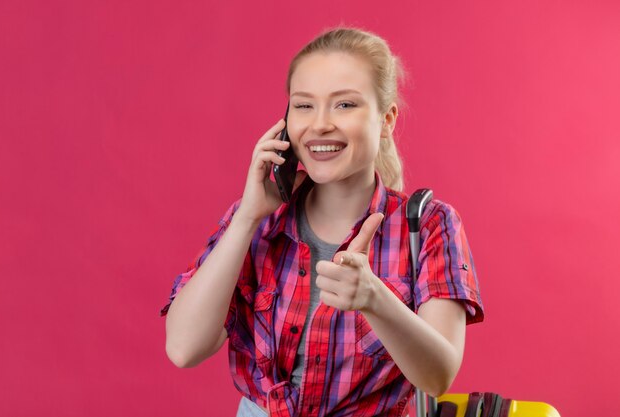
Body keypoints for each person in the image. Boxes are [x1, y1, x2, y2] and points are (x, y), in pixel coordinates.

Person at [160, 27, 484, 417]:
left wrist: (374, 299)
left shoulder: (430, 224)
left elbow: (437, 377)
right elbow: (183, 348)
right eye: (304, 106)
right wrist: (247, 217)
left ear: (386, 120)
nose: (320, 125)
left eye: (344, 105)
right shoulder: (256, 221)